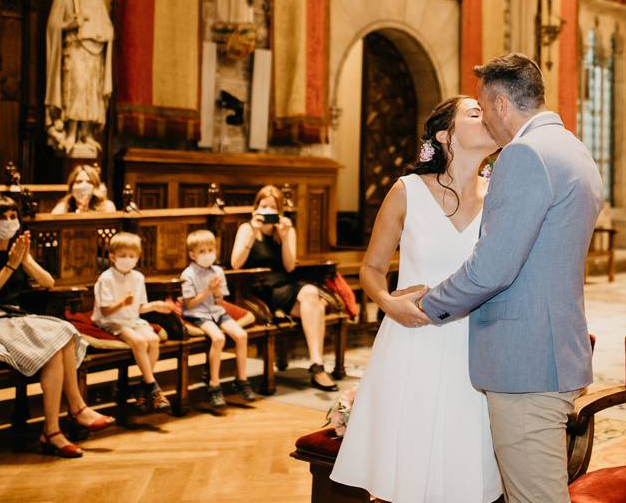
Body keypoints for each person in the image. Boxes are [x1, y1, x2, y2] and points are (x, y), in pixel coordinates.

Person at [397, 54, 603, 503]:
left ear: (502, 104)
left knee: (535, 498)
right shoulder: (572, 148)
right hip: (548, 351)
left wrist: (426, 305)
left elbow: (493, 267)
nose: (487, 120)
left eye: (485, 108)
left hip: (525, 363)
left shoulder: (526, 155)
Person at [330, 96, 503, 502]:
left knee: (463, 473)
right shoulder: (406, 191)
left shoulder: (499, 195)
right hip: (412, 341)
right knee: (404, 468)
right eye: (475, 113)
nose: (488, 116)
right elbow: (370, 269)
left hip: (472, 348)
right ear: (446, 135)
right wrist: (389, 304)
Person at [0, 196, 115, 459]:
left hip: (15, 316)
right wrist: (10, 265)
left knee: (63, 335)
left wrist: (25, 260)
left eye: (13, 217)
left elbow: (48, 283)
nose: (9, 223)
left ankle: (55, 428)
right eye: (2, 217)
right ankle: (69, 416)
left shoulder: (17, 249)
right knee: (58, 341)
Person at [230, 186, 337, 392]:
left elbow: (289, 266)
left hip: (285, 284)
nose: (268, 211)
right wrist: (253, 233)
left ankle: (317, 364)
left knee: (311, 294)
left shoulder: (286, 230)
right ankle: (318, 368)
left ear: (279, 211)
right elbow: (236, 264)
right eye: (264, 206)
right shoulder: (246, 229)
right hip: (259, 288)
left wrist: (285, 237)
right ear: (256, 208)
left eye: (273, 207)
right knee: (318, 307)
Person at [45, 0, 113, 157]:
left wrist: (102, 34)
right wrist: (71, 23)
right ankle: (71, 131)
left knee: (91, 92)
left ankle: (86, 133)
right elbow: (53, 26)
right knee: (76, 89)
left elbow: (108, 28)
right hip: (74, 52)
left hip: (93, 54)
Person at [92, 232, 172, 412]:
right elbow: (105, 310)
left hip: (132, 319)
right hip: (111, 321)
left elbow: (140, 308)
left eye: (132, 256)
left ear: (138, 257)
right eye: (123, 256)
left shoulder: (138, 278)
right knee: (140, 341)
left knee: (153, 339)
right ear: (112, 257)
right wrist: (121, 303)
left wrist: (156, 306)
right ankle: (152, 387)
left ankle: (144, 388)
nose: (128, 259)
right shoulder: (106, 278)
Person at [181, 230, 257, 406]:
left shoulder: (217, 271)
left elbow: (220, 301)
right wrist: (207, 290)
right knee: (218, 338)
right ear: (192, 254)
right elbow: (190, 304)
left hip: (216, 311)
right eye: (202, 251)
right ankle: (214, 385)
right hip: (197, 314)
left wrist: (215, 292)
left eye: (210, 250)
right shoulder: (188, 274)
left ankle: (241, 380)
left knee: (242, 336)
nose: (208, 255)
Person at [51, 164, 116, 214]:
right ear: (71, 188)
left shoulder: (107, 206)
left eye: (89, 182)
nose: (84, 186)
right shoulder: (63, 207)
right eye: (79, 182)